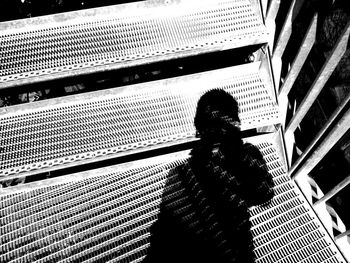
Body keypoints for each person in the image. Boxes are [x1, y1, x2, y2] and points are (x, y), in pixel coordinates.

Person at [144, 89, 274, 263]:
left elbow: (264, 195)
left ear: (198, 130)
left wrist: (236, 154)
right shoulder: (181, 174)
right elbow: (263, 195)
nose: (219, 133)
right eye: (214, 127)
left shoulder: (180, 174)